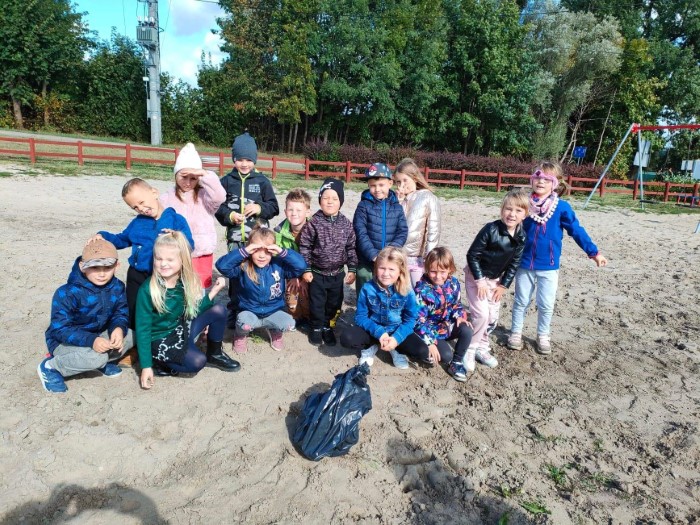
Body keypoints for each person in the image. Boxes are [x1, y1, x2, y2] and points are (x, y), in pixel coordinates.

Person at [508, 162, 608, 355]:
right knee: (521, 301)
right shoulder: (524, 204)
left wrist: (594, 252)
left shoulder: (561, 207)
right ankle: (515, 333)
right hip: (524, 263)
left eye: (547, 179)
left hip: (549, 266)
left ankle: (543, 335)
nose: (541, 182)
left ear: (555, 183)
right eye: (538, 177)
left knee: (546, 303)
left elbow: (576, 230)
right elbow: (509, 227)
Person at [136, 232, 239, 390]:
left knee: (218, 310)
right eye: (159, 259)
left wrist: (213, 292)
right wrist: (146, 366)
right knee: (197, 361)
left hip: (180, 327)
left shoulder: (182, 283)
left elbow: (191, 311)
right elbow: (142, 330)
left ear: (182, 261)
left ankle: (215, 353)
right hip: (160, 339)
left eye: (170, 260)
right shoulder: (148, 290)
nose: (163, 264)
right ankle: (160, 363)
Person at [91, 177, 194, 329]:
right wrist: (103, 236)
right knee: (133, 309)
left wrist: (176, 237)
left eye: (141, 202)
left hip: (164, 274)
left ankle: (160, 337)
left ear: (154, 193)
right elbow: (122, 239)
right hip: (137, 274)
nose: (140, 208)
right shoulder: (138, 222)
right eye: (135, 207)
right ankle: (134, 337)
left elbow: (189, 245)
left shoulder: (176, 220)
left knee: (160, 310)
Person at [38, 239, 132, 393]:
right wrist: (91, 340)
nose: (102, 273)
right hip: (66, 342)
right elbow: (60, 329)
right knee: (97, 357)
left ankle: (99, 362)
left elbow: (120, 312)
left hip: (98, 334)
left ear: (117, 266)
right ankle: (51, 367)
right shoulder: (67, 292)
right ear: (82, 266)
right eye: (94, 267)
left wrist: (118, 328)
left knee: (133, 336)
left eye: (108, 267)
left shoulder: (118, 286)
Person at [215, 131, 280, 327]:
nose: (244, 164)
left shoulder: (262, 181)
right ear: (234, 159)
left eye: (249, 160)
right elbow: (216, 207)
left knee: (257, 274)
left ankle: (258, 309)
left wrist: (260, 208)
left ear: (255, 160)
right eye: (240, 159)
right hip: (235, 239)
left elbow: (274, 207)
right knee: (236, 275)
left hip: (258, 240)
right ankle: (235, 310)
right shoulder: (226, 181)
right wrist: (230, 216)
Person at [464, 189, 528, 372]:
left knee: (492, 317)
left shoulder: (521, 236)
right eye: (508, 209)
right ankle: (470, 349)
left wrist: (503, 285)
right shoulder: (490, 229)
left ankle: (482, 348)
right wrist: (480, 280)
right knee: (482, 314)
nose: (512, 214)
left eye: (518, 210)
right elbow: (472, 255)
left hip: (496, 281)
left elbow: (514, 264)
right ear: (502, 210)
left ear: (525, 214)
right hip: (477, 277)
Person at [215, 227, 306, 354]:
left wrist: (282, 251)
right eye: (257, 250)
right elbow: (221, 266)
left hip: (273, 312)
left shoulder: (279, 265)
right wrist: (244, 251)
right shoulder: (243, 266)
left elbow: (301, 266)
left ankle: (275, 331)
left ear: (273, 250)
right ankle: (240, 336)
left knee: (289, 323)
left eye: (267, 251)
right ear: (250, 249)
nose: (262, 255)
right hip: (250, 312)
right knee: (243, 322)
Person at [340, 247, 426, 370]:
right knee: (347, 338)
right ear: (376, 268)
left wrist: (397, 339)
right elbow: (360, 317)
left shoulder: (407, 290)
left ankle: (395, 348)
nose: (386, 274)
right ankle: (370, 346)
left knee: (422, 351)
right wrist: (379, 332)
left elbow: (410, 320)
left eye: (391, 269)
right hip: (373, 330)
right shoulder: (367, 288)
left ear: (400, 271)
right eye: (382, 268)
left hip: (395, 330)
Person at [298, 178, 358, 346]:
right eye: (325, 198)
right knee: (317, 303)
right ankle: (316, 327)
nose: (330, 201)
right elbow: (305, 246)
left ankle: (328, 327)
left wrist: (352, 268)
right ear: (320, 200)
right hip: (317, 274)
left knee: (334, 304)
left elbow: (351, 247)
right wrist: (306, 269)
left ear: (341, 201)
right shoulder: (314, 223)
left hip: (337, 274)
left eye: (334, 198)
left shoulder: (346, 223)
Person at [160, 142, 226, 288]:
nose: (188, 183)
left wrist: (204, 174)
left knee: (199, 290)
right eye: (184, 177)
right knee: (177, 288)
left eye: (193, 178)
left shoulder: (205, 196)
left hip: (201, 253)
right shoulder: (166, 198)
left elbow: (220, 196)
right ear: (176, 174)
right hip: (176, 252)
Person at [414, 247, 474, 382]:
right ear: (427, 269)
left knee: (467, 329)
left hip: (446, 325)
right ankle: (427, 351)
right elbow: (418, 320)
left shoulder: (454, 283)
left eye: (442, 272)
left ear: (450, 269)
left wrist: (459, 315)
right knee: (446, 356)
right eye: (433, 271)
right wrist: (430, 342)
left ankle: (457, 362)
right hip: (430, 329)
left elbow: (456, 304)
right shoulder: (421, 290)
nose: (438, 276)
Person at [353, 162, 408, 294]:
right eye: (373, 185)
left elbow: (402, 231)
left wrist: (390, 251)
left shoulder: (397, 207)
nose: (377, 189)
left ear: (390, 183)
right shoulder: (363, 206)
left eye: (381, 185)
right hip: (367, 258)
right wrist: (372, 255)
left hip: (389, 258)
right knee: (364, 283)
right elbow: (360, 231)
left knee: (388, 288)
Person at [393, 158, 441, 286]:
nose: (401, 185)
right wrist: (399, 201)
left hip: (417, 258)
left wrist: (430, 258)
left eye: (405, 180)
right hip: (399, 254)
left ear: (414, 178)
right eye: (398, 182)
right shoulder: (397, 199)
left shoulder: (428, 197)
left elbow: (433, 231)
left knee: (419, 290)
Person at [274, 188, 312, 326]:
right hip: (291, 272)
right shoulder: (279, 232)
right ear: (285, 212)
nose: (294, 213)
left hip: (311, 272)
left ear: (307, 212)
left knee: (307, 297)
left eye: (299, 210)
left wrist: (304, 277)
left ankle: (309, 317)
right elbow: (280, 259)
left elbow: (317, 256)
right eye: (290, 210)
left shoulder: (315, 229)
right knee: (292, 301)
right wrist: (294, 276)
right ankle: (296, 317)